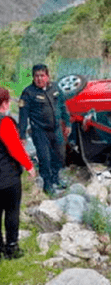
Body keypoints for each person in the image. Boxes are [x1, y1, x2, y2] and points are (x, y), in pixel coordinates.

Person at [18, 64, 70, 195]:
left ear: (47, 76)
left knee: (59, 156)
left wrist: (68, 123)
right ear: (33, 77)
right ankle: (48, 185)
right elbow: (23, 116)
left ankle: (56, 179)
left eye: (42, 75)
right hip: (40, 132)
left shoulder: (55, 87)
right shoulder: (28, 93)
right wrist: (22, 135)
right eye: (36, 76)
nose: (39, 78)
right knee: (45, 158)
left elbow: (63, 106)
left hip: (56, 129)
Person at [0, 87, 36, 259]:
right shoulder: (4, 122)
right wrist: (30, 167)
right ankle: (11, 248)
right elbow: (15, 149)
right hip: (7, 178)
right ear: (4, 103)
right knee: (12, 212)